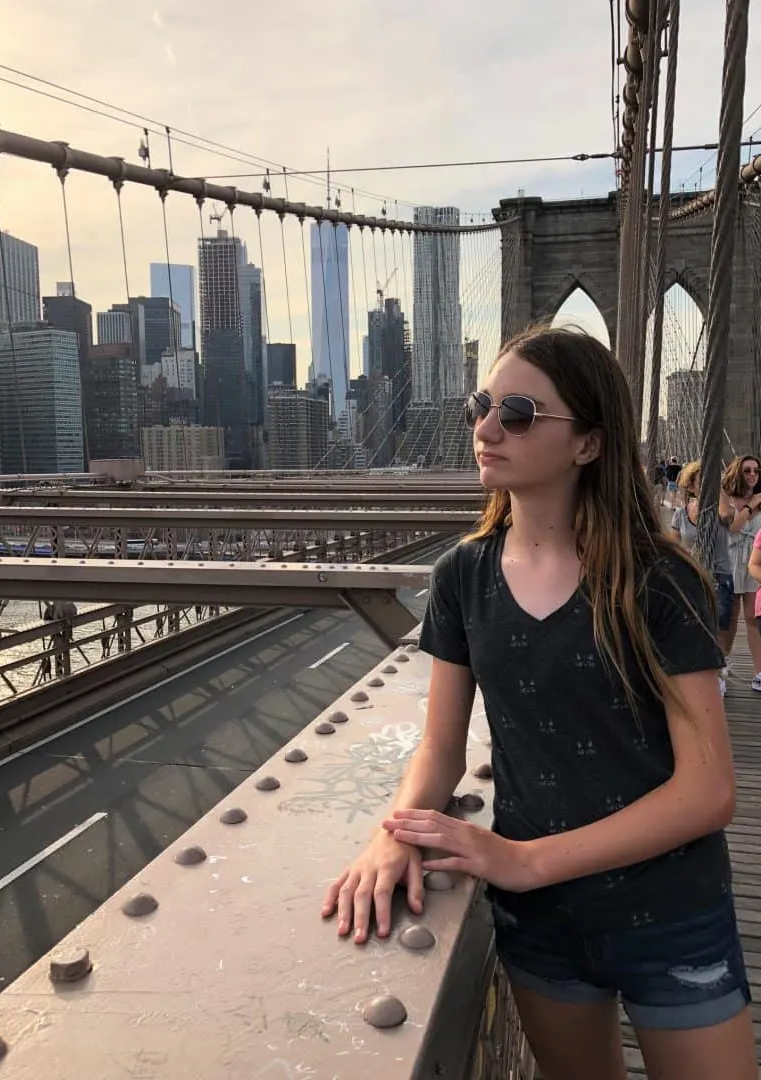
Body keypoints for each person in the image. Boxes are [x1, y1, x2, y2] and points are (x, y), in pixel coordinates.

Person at [322, 327, 754, 1080]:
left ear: (588, 444)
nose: (485, 429)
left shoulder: (660, 581)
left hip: (671, 910)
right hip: (545, 924)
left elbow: (708, 790)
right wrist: (393, 834)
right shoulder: (462, 576)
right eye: (481, 405)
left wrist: (523, 860)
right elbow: (441, 750)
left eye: (518, 412)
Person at [670, 460, 734, 695]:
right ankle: (698, 672)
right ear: (691, 484)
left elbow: (727, 515)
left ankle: (718, 673)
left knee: (717, 625)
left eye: (710, 479)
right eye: (701, 480)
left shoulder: (719, 507)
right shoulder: (680, 513)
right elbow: (673, 544)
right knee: (691, 626)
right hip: (690, 574)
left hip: (719, 573)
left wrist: (717, 487)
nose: (706, 484)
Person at [721, 455, 761, 690]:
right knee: (729, 618)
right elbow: (733, 528)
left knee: (753, 617)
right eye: (747, 471)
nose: (753, 475)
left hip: (753, 562)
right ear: (737, 472)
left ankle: (759, 672)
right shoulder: (726, 498)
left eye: (756, 470)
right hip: (729, 560)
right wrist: (751, 504)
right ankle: (722, 666)